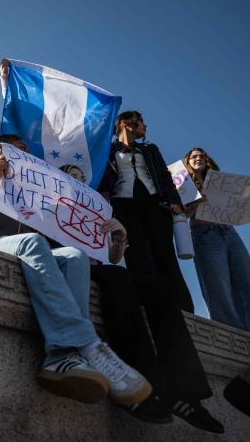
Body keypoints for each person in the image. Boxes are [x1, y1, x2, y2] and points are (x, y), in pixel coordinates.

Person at [0, 135, 151, 405]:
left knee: (74, 256)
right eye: (20, 150)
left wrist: (109, 235)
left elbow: (72, 242)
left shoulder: (38, 191)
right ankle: (90, 345)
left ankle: (62, 357)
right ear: (0, 150)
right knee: (32, 242)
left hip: (29, 251)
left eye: (28, 152)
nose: (28, 156)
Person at [65, 164, 223, 433]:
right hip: (71, 265)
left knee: (160, 286)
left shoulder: (96, 210)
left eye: (81, 177)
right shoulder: (47, 203)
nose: (77, 181)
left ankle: (184, 392)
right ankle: (140, 385)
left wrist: (121, 238)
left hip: (102, 267)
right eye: (70, 176)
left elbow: (113, 258)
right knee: (119, 279)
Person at [98, 111, 194, 312]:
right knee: (138, 256)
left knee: (165, 256)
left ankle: (184, 309)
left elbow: (164, 175)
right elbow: (102, 177)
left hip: (154, 206)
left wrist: (174, 200)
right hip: (125, 207)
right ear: (125, 123)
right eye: (141, 121)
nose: (145, 126)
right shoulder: (108, 149)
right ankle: (150, 306)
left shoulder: (149, 149)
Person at [183, 148, 250, 339]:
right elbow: (180, 213)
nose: (198, 158)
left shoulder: (222, 183)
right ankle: (232, 336)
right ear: (188, 161)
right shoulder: (182, 182)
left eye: (202, 156)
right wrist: (196, 204)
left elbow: (239, 209)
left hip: (229, 234)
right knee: (218, 287)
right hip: (205, 235)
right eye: (194, 156)